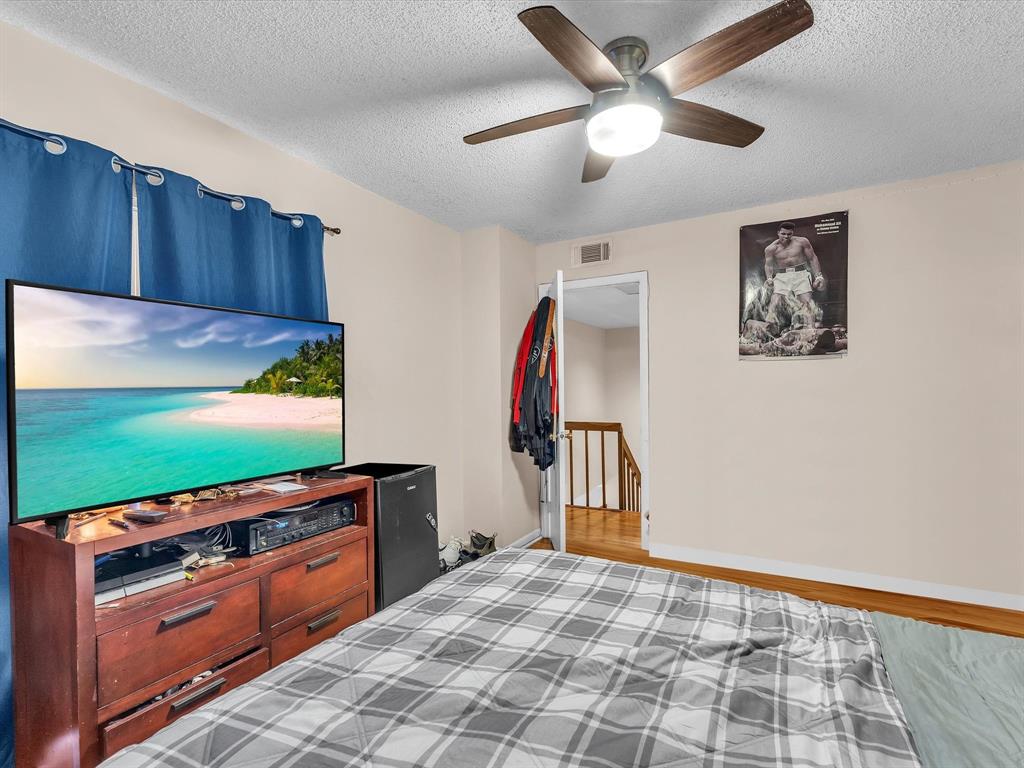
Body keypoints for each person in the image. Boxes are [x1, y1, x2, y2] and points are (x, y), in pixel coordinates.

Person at [764, 221, 825, 333]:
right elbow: (768, 265)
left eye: (789, 234)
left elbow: (812, 258)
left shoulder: (802, 242)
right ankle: (768, 333)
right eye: (783, 234)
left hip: (800, 274)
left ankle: (810, 331)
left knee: (806, 302)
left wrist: (818, 276)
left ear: (792, 233)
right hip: (781, 275)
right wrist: (769, 278)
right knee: (775, 302)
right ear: (778, 233)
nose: (786, 236)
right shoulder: (771, 248)